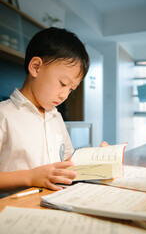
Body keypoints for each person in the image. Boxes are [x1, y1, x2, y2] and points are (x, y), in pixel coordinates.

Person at [0, 27, 90, 193]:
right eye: (63, 83)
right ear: (35, 67)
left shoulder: (56, 117)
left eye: (71, 89)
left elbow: (67, 161)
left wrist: (98, 160)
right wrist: (31, 177)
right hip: (16, 210)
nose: (65, 95)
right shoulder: (4, 115)